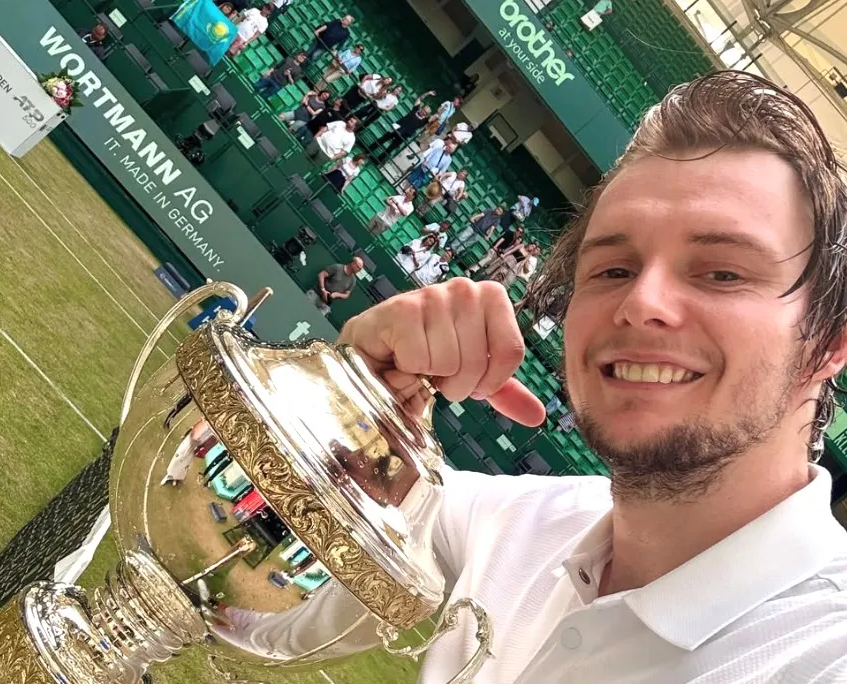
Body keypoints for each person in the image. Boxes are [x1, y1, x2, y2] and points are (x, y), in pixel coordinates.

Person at [337, 72, 847, 683]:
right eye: (612, 269)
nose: (641, 301)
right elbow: (265, 614)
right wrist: (347, 395)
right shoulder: (515, 523)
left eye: (723, 274)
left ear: (829, 343)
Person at [367, 94, 436, 163]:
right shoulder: (415, 110)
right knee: (382, 139)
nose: (423, 111)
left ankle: (377, 161)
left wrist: (440, 111)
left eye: (425, 112)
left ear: (426, 115)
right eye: (423, 109)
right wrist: (428, 93)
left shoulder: (423, 121)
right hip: (396, 127)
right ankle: (368, 150)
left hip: (404, 136)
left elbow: (435, 117)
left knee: (390, 149)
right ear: (421, 108)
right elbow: (419, 98)